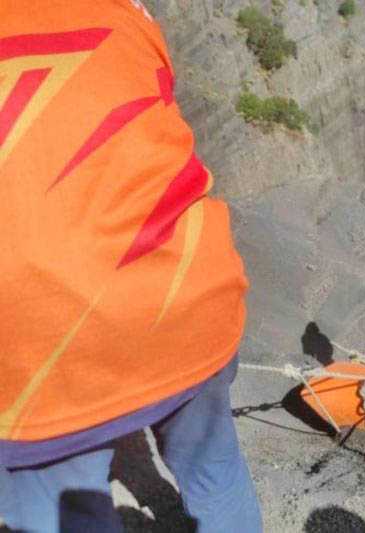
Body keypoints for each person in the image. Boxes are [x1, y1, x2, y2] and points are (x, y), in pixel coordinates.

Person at [0, 1, 261, 531]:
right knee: (215, 472)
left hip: (41, 352)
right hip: (187, 292)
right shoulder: (122, 10)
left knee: (65, 505)